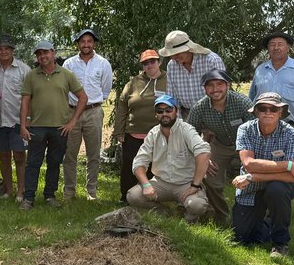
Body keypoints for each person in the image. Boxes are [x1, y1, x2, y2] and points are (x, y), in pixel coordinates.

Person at [250, 30, 294, 224]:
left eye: (280, 43)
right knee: (269, 166)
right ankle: (271, 208)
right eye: (272, 44)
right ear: (268, 49)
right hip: (264, 128)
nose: (276, 47)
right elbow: (253, 100)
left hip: (293, 126)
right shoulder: (261, 70)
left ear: (288, 47)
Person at [232, 92, 294, 258]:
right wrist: (287, 165)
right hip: (251, 188)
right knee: (243, 237)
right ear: (256, 111)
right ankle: (267, 221)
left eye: (273, 108)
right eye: (263, 108)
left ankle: (280, 243)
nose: (268, 112)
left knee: (277, 190)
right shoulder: (245, 129)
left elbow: (293, 176)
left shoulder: (291, 134)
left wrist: (253, 176)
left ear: (280, 112)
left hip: (271, 185)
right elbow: (249, 164)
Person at [19, 40, 86, 210]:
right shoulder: (32, 76)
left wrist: (72, 121)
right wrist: (23, 125)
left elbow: (83, 97)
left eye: (45, 52)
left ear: (53, 53)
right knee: (33, 163)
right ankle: (28, 198)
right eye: (39, 54)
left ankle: (50, 196)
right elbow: (25, 101)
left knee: (54, 162)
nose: (42, 56)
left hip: (60, 128)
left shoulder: (65, 74)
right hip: (36, 127)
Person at [126, 93, 211, 222]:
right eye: (160, 111)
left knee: (196, 205)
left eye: (168, 110)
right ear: (156, 114)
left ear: (176, 111)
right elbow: (139, 162)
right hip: (161, 182)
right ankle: (165, 213)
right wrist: (146, 184)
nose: (164, 114)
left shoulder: (186, 130)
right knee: (133, 196)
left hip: (186, 183)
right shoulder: (153, 134)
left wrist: (195, 185)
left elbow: (203, 152)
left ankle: (190, 217)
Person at [186, 69, 252, 225]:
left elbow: (257, 130)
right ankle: (222, 215)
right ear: (205, 89)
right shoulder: (199, 108)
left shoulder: (242, 103)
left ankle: (255, 214)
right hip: (220, 144)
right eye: (210, 86)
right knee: (209, 177)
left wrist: (252, 157)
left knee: (254, 177)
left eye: (219, 84)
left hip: (246, 145)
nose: (215, 89)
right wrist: (203, 158)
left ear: (227, 85)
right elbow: (189, 135)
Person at [61, 28, 113, 201]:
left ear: (94, 43)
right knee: (70, 153)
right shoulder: (69, 64)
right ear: (78, 44)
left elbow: (105, 89)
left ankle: (91, 192)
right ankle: (69, 191)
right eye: (82, 41)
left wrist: (94, 103)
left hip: (93, 111)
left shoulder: (103, 63)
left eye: (89, 41)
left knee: (93, 154)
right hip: (72, 112)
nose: (86, 44)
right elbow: (64, 88)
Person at [112, 50, 168, 203]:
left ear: (159, 62)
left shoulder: (169, 80)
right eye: (145, 63)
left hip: (159, 134)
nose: (149, 65)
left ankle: (153, 197)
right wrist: (119, 131)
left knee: (155, 168)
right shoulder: (133, 82)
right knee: (129, 166)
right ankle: (125, 197)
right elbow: (122, 106)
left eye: (152, 61)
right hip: (133, 133)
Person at [0, 35, 28, 201]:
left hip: (17, 120)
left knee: (19, 156)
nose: (3, 51)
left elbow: (29, 96)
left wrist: (28, 119)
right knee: (3, 156)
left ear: (13, 50)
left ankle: (21, 191)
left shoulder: (23, 70)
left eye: (7, 48)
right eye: (0, 48)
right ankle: (8, 190)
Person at [158, 30, 227, 116]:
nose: (174, 57)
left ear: (188, 49)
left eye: (177, 53)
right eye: (171, 54)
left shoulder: (211, 60)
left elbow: (223, 91)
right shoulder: (172, 66)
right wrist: (177, 124)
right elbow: (172, 97)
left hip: (213, 112)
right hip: (187, 114)